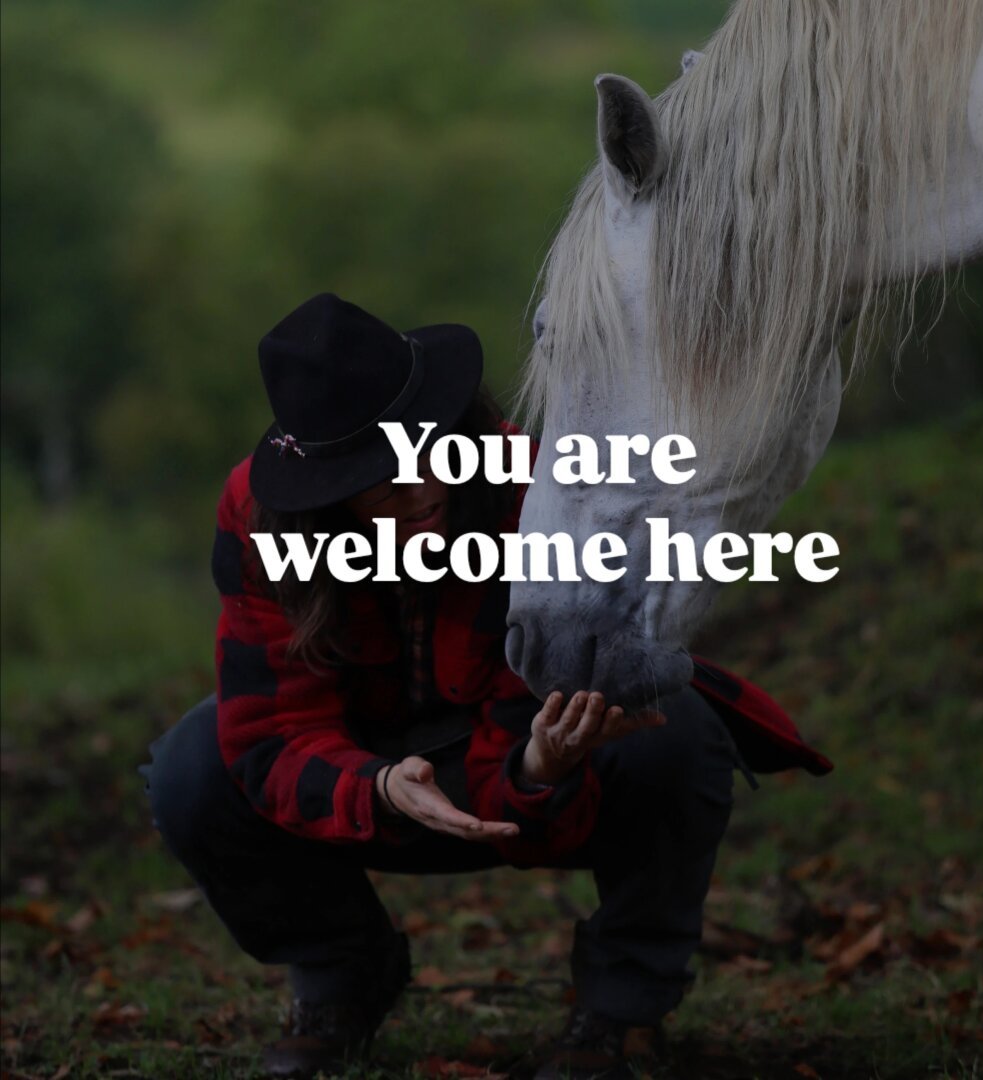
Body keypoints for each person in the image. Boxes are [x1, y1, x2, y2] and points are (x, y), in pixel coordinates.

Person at [142, 293, 832, 1080]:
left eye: (430, 455)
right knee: (192, 768)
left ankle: (621, 1009)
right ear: (326, 492)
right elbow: (272, 731)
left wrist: (540, 768)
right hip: (373, 773)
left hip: (524, 761)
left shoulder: (534, 491)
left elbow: (535, 706)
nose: (421, 492)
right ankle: (340, 975)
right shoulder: (259, 516)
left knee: (669, 730)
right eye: (383, 484)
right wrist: (377, 787)